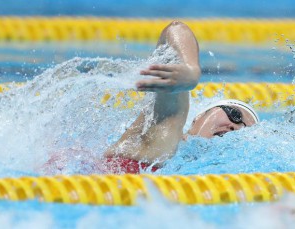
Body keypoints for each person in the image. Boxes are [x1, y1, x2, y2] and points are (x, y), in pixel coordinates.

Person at [100, 21, 259, 174]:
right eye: (235, 115)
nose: (236, 128)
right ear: (198, 117)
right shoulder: (164, 134)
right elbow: (175, 30)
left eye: (244, 132)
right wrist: (191, 71)